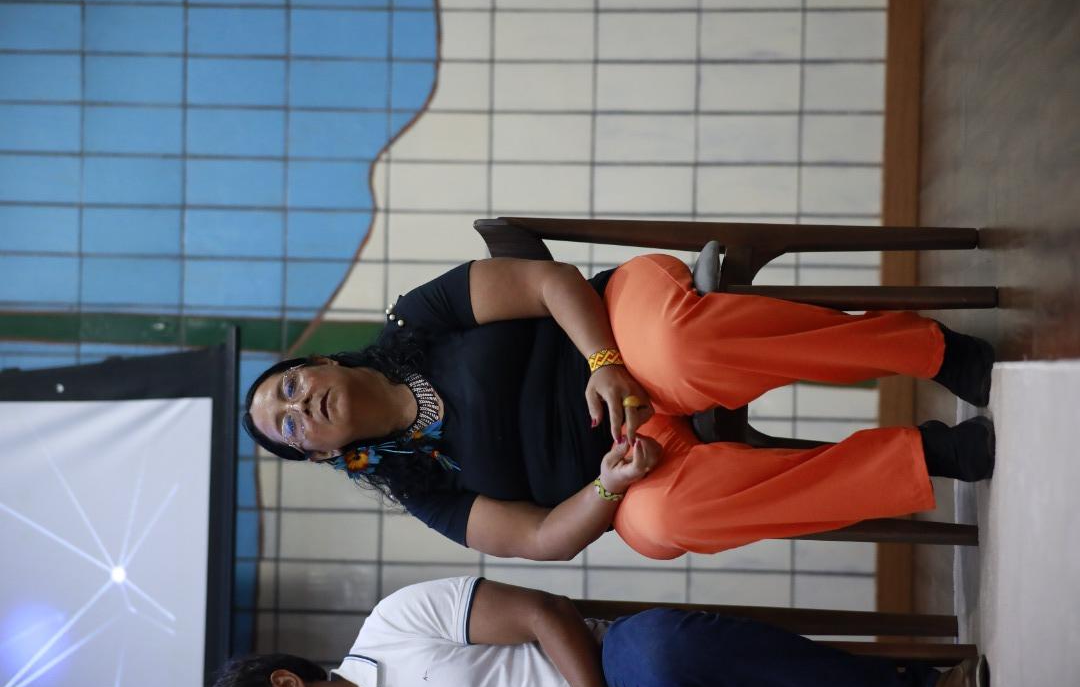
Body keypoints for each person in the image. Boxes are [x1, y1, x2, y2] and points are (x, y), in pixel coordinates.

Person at [243, 255, 996, 560]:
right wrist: (610, 486)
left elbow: (549, 282)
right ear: (321, 453)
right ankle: (925, 457)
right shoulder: (421, 488)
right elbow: (541, 538)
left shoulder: (418, 320)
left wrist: (604, 364)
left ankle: (931, 350)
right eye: (289, 425)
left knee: (682, 351)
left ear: (316, 364)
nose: (301, 405)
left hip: (616, 332)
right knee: (666, 522)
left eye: (289, 388)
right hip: (631, 462)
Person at [208, 576, 989, 687]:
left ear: (288, 685)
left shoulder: (393, 626)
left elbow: (544, 615)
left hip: (607, 677)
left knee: (664, 651)